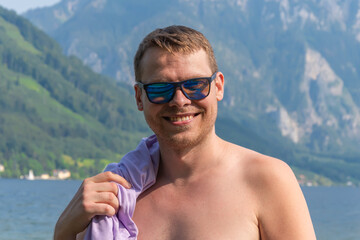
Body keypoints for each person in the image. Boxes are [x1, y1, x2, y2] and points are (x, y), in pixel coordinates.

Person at [54, 25, 316, 239]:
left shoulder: (267, 180)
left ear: (219, 87)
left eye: (195, 85)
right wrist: (64, 230)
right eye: (159, 88)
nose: (179, 100)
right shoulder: (116, 196)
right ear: (139, 97)